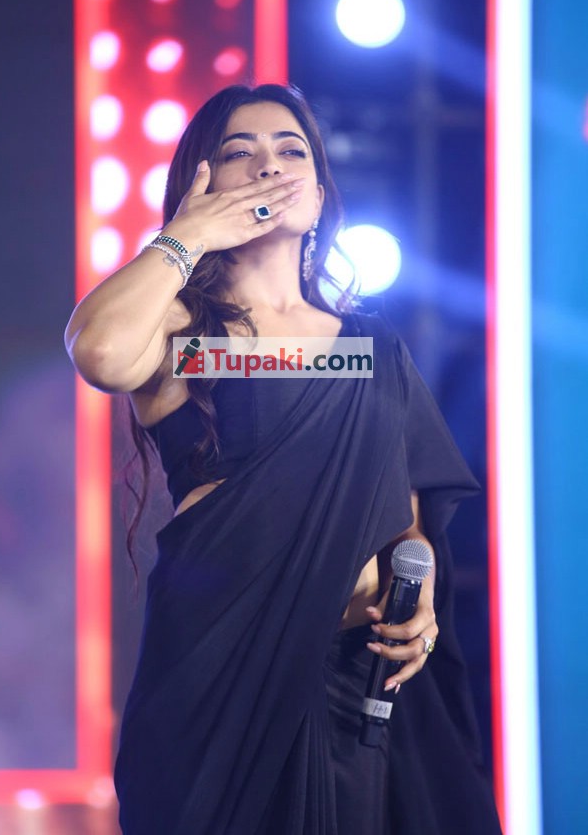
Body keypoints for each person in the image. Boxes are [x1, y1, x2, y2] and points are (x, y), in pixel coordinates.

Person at [65, 84, 502, 835]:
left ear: (320, 192)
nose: (269, 166)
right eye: (240, 153)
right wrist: (187, 235)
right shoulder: (181, 332)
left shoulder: (372, 347)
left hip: (360, 682)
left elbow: (405, 507)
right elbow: (100, 352)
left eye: (291, 150)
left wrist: (420, 574)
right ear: (201, 183)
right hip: (223, 673)